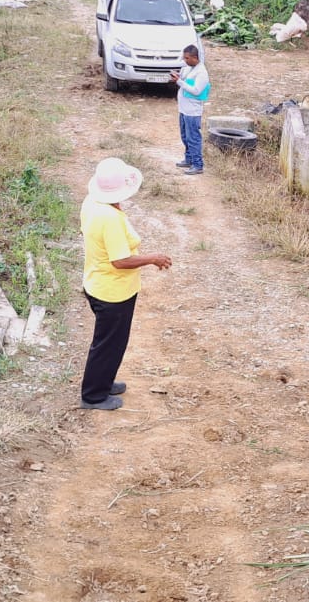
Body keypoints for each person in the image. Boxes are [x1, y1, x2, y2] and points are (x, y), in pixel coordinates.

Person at [78, 158, 173, 410]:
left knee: (111, 343)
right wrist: (152, 258)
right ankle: (93, 396)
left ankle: (103, 382)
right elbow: (120, 261)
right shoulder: (109, 218)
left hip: (97, 283)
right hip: (112, 293)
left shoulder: (91, 202)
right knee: (108, 344)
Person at [169, 44, 209, 175]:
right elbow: (184, 80)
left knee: (193, 138)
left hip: (192, 111)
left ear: (195, 57)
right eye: (184, 57)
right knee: (185, 137)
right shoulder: (188, 68)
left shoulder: (201, 72)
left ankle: (198, 165)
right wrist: (178, 76)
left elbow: (196, 91)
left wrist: (179, 81)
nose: (184, 60)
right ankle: (189, 159)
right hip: (184, 109)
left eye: (187, 58)